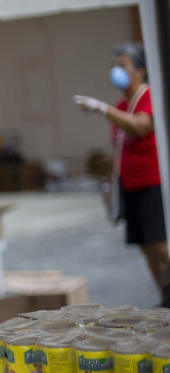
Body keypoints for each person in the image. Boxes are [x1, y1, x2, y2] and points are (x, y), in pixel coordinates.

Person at [75, 42, 168, 297]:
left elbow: (140, 126)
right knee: (145, 246)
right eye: (114, 65)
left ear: (140, 71)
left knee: (160, 245)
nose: (117, 70)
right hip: (130, 185)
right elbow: (118, 151)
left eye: (123, 65)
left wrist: (102, 109)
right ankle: (165, 299)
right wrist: (110, 185)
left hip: (152, 183)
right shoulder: (121, 106)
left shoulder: (148, 97)